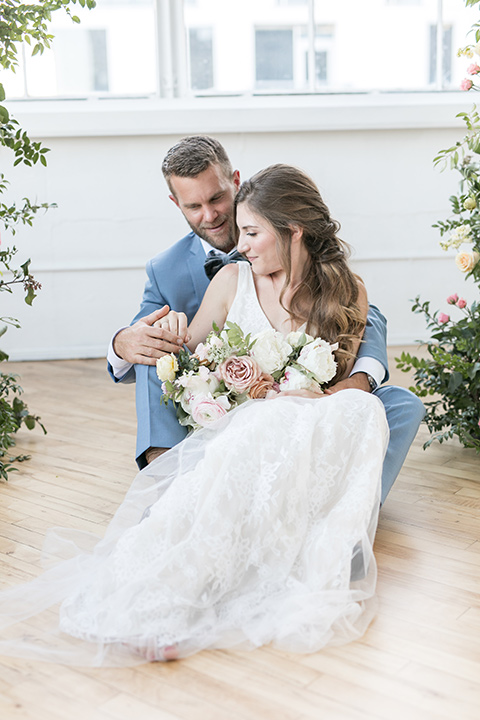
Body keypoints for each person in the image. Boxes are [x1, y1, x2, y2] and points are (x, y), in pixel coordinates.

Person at [0, 164, 391, 665]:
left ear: (293, 231)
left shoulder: (346, 291)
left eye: (251, 232)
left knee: (359, 408)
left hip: (307, 428)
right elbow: (187, 351)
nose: (241, 244)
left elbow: (348, 374)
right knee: (253, 434)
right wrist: (143, 340)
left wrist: (309, 397)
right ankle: (175, 592)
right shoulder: (231, 280)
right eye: (240, 232)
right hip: (244, 424)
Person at [107, 135, 424, 505]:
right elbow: (152, 336)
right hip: (232, 406)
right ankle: (168, 486)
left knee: (397, 403)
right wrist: (122, 342)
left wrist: (346, 386)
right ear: (176, 203)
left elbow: (367, 318)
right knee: (155, 350)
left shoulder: (330, 274)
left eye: (216, 199)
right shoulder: (171, 270)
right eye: (194, 206)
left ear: (235, 182)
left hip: (311, 403)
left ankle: (351, 506)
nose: (209, 216)